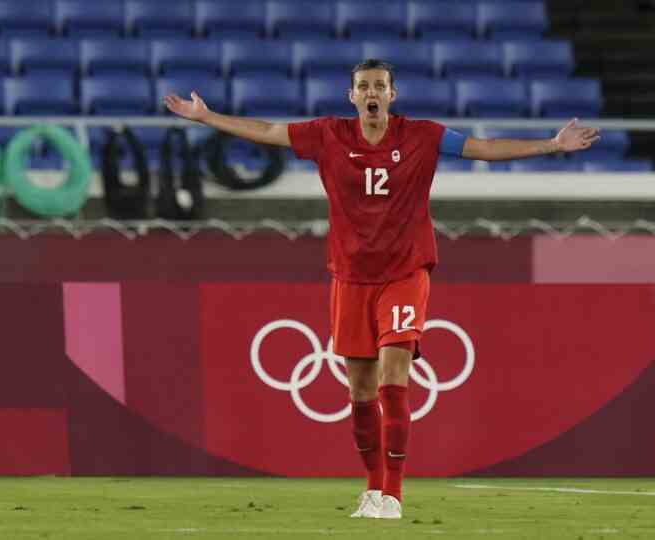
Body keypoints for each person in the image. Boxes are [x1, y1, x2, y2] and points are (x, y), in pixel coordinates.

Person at [164, 59, 600, 520]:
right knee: (360, 391)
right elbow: (269, 131)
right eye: (363, 86)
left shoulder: (423, 136)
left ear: (392, 94)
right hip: (350, 277)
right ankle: (373, 489)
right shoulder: (327, 134)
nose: (371, 92)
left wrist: (551, 145)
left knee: (395, 374)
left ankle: (392, 494)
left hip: (404, 271)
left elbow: (483, 148)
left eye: (379, 85)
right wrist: (208, 117)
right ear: (351, 96)